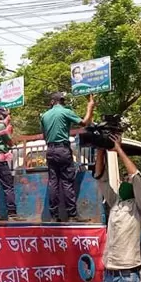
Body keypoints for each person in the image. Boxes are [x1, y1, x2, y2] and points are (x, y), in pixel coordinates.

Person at [94, 134, 141, 282]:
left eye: (128, 180)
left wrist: (119, 150)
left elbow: (136, 177)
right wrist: (101, 151)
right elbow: (101, 178)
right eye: (124, 179)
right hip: (109, 273)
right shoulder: (116, 202)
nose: (126, 181)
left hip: (128, 275)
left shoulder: (140, 207)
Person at [40, 91, 95, 222]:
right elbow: (84, 123)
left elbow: (44, 136)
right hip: (63, 150)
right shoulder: (66, 112)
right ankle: (72, 215)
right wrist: (90, 106)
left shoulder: (44, 116)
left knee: (53, 182)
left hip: (50, 150)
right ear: (62, 101)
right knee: (66, 182)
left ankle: (54, 216)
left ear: (52, 102)